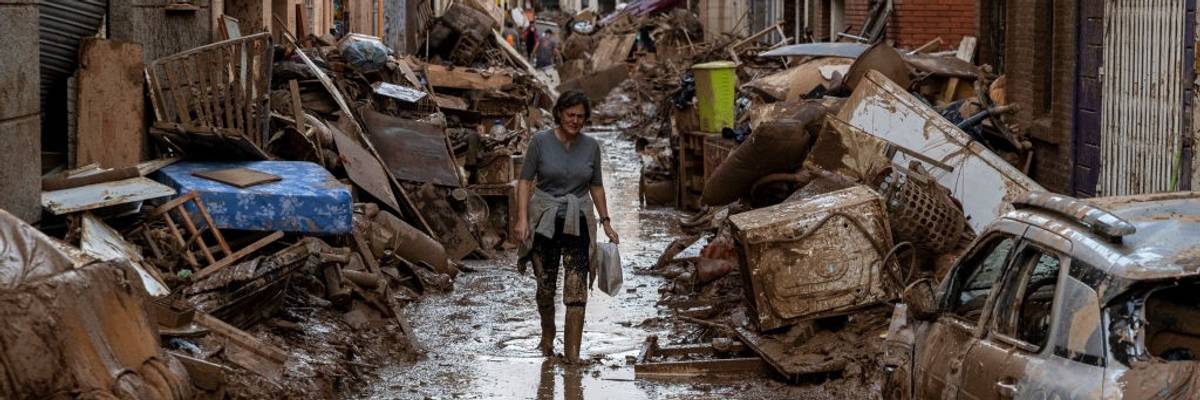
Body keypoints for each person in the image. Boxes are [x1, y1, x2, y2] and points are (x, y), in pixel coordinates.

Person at [515, 90, 619, 364]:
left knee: (576, 290)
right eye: (570, 115)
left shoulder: (591, 146)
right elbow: (525, 181)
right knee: (545, 287)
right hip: (544, 221)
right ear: (560, 113)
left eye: (581, 117)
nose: (575, 121)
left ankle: (573, 354)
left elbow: (596, 185)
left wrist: (606, 221)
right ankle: (548, 332)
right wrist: (522, 219)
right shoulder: (540, 142)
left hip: (578, 221)